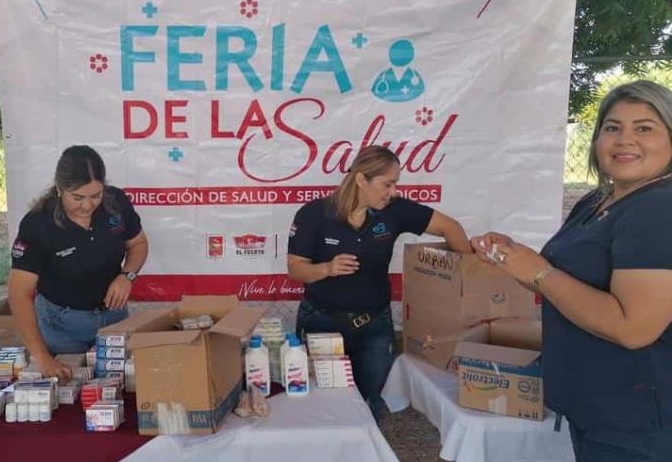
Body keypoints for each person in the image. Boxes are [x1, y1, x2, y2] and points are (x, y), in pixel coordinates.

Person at [472, 80, 672, 462]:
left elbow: (634, 328)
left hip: (638, 425)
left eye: (644, 128)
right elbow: (560, 280)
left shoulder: (659, 210)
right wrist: (513, 258)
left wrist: (539, 274)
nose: (624, 139)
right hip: (597, 412)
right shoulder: (599, 200)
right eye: (612, 127)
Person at [287, 145, 471, 417]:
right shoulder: (313, 213)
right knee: (323, 406)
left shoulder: (395, 210)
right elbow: (295, 269)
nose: (393, 192)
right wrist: (327, 268)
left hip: (374, 327)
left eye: (395, 184)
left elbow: (450, 227)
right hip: (321, 323)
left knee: (372, 404)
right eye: (387, 184)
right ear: (361, 179)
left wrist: (470, 279)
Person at [8, 145, 148, 379]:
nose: (87, 205)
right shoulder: (38, 223)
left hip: (114, 320)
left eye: (96, 195)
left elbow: (138, 245)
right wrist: (43, 358)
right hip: (61, 326)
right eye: (78, 197)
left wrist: (127, 276)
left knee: (119, 388)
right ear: (60, 189)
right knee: (68, 395)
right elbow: (18, 293)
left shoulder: (116, 202)